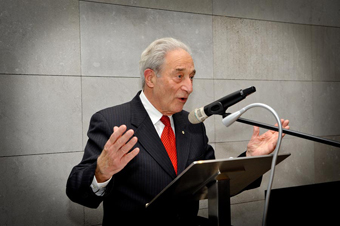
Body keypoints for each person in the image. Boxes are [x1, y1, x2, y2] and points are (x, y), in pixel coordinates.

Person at [66, 38, 289, 226]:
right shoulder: (112, 121)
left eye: (191, 76)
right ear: (151, 77)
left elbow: (214, 181)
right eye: (179, 76)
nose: (189, 87)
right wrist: (101, 173)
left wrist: (251, 159)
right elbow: (76, 191)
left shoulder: (192, 123)